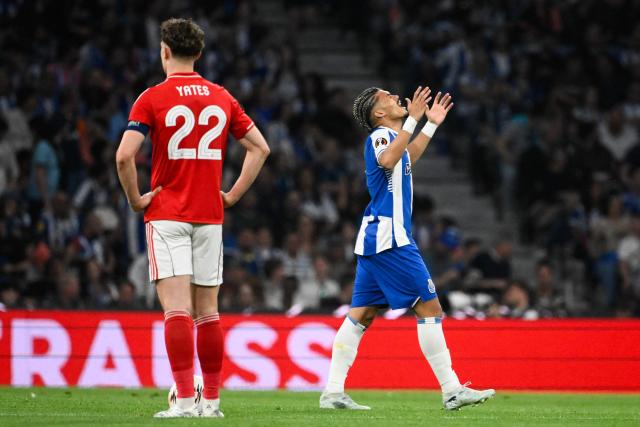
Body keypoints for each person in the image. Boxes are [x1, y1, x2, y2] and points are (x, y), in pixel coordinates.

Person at [115, 18, 269, 418]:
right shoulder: (221, 97)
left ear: (164, 51)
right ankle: (212, 403)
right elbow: (260, 149)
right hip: (209, 215)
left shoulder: (152, 97)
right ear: (199, 54)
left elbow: (123, 155)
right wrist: (232, 195)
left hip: (167, 213)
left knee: (177, 311)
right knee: (209, 313)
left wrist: (135, 199)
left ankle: (185, 401)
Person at [320, 86, 495, 411]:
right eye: (386, 97)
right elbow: (389, 158)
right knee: (430, 309)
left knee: (361, 315)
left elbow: (406, 157)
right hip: (391, 238)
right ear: (379, 114)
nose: (395, 96)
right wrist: (414, 119)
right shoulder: (380, 137)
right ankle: (452, 390)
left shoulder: (391, 138)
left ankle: (332, 392)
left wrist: (430, 124)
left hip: (377, 237)